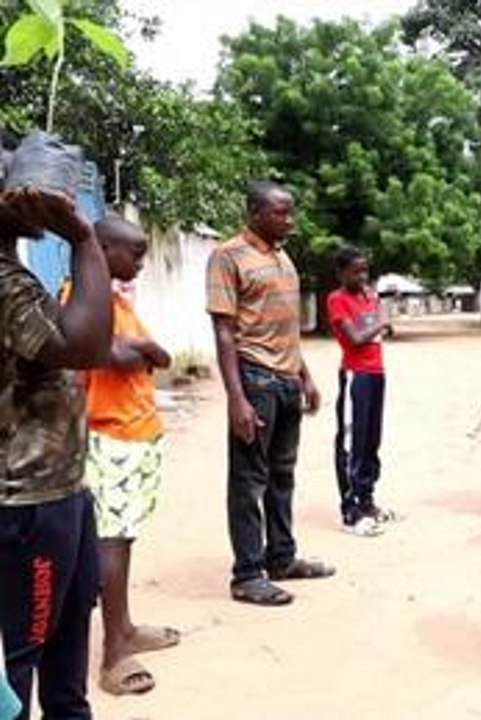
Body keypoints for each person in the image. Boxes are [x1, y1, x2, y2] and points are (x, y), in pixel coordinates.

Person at [0, 185, 112, 719]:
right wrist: (82, 235)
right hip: (26, 503)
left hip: (60, 492)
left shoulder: (15, 273)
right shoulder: (3, 282)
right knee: (20, 663)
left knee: (68, 648)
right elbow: (86, 346)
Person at [206, 181, 334, 607]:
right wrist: (236, 398)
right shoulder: (228, 256)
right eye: (281, 212)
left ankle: (282, 557)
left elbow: (286, 325)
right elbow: (224, 332)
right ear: (256, 212)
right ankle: (247, 573)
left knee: (283, 476)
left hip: (287, 381)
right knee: (248, 481)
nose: (290, 220)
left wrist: (306, 376)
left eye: (290, 212)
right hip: (255, 380)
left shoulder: (282, 255)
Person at [80, 218, 179, 696]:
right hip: (110, 436)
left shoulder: (117, 301)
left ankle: (125, 627)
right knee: (110, 543)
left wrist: (146, 349)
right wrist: (143, 351)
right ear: (100, 248)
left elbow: (159, 358)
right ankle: (113, 654)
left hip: (137, 434)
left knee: (125, 536)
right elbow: (117, 357)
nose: (140, 262)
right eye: (134, 253)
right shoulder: (83, 300)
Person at [327, 245, 393, 537]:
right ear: (341, 273)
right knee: (352, 442)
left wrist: (379, 321)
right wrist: (380, 322)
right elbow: (354, 338)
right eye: (355, 271)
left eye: (365, 270)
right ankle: (350, 511)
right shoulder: (336, 299)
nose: (362, 276)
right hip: (356, 375)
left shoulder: (369, 295)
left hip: (377, 373)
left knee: (371, 441)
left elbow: (379, 330)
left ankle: (367, 501)